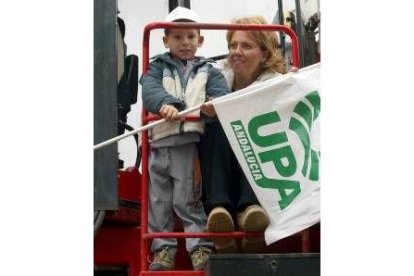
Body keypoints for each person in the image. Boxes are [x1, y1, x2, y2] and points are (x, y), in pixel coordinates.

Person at [140, 7, 230, 271]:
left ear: (200, 40)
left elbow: (220, 94)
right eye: (177, 37)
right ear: (166, 41)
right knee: (158, 201)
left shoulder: (209, 71)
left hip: (186, 145)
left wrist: (213, 106)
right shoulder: (156, 68)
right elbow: (150, 92)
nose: (185, 43)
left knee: (187, 198)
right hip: (158, 144)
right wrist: (167, 104)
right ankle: (163, 250)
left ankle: (199, 246)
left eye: (191, 37)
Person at [199, 15, 288, 253]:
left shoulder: (281, 85)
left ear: (265, 54)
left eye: (246, 46)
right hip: (223, 169)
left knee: (251, 129)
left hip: (262, 174)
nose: (236, 52)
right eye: (233, 45)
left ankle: (252, 212)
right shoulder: (213, 79)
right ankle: (220, 213)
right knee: (216, 126)